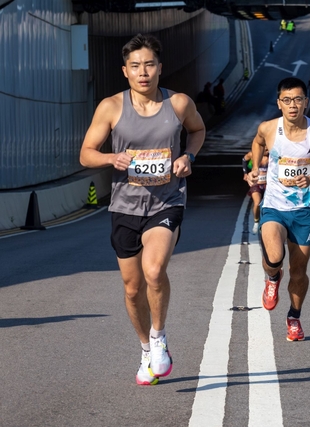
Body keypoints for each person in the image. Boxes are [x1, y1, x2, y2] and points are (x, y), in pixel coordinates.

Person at [79, 34, 205, 386]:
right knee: (133, 289)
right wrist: (111, 158)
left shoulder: (178, 103)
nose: (143, 72)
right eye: (135, 66)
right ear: (125, 71)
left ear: (160, 67)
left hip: (167, 201)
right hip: (125, 206)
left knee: (154, 270)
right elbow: (86, 153)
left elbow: (197, 130)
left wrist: (188, 156)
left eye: (149, 64)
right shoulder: (111, 107)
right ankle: (146, 350)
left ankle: (159, 337)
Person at [247, 77, 310, 342]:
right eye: (287, 100)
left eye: (298, 99)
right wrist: (255, 169)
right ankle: (272, 277)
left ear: (306, 102)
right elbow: (257, 143)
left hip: (303, 209)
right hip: (274, 206)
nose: (293, 105)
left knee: (298, 272)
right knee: (274, 257)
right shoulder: (268, 128)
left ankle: (294, 317)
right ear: (279, 103)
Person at [243, 149, 269, 233]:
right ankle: (256, 221)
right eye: (265, 148)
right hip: (256, 184)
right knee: (257, 203)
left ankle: (266, 223)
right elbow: (244, 159)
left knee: (268, 206)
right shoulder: (253, 154)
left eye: (268, 148)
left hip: (268, 185)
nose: (267, 150)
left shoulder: (273, 156)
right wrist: (245, 173)